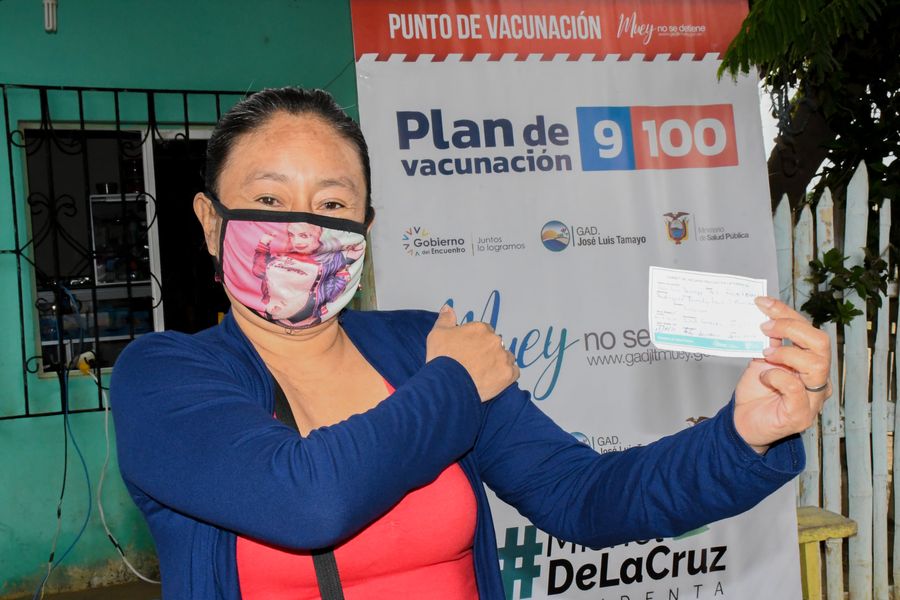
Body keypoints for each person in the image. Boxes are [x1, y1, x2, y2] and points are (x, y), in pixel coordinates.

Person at [111, 87, 831, 599]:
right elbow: (307, 500)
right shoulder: (165, 378)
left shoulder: (419, 347)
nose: (303, 230)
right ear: (211, 221)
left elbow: (581, 496)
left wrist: (742, 436)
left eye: (332, 203)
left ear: (365, 228)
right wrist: (455, 382)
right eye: (269, 200)